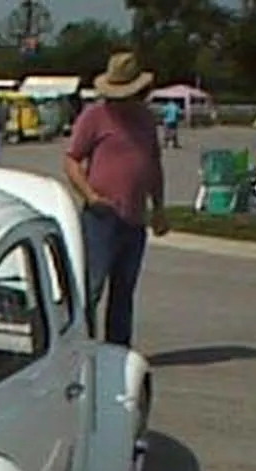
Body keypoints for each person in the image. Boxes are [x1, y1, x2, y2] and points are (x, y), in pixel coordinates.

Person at [62, 52, 169, 348]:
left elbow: (153, 163)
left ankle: (117, 350)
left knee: (124, 292)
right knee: (91, 288)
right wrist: (91, 196)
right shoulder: (94, 117)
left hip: (135, 219)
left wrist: (159, 207)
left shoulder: (146, 120)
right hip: (101, 217)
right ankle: (80, 347)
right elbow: (72, 160)